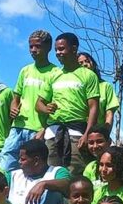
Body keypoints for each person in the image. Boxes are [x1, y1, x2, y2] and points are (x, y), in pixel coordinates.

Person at [38, 32, 99, 175]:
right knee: (52, 174)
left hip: (77, 133)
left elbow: (93, 107)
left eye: (61, 49)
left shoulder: (88, 75)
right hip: (53, 133)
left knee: (75, 174)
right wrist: (46, 109)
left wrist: (87, 134)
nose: (58, 53)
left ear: (74, 49)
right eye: (56, 50)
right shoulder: (53, 75)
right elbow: (39, 103)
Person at [0, 30, 59, 173]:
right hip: (18, 127)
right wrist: (13, 108)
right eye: (30, 46)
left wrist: (44, 129)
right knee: (5, 166)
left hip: (38, 129)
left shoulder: (56, 72)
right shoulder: (25, 70)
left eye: (37, 46)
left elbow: (55, 107)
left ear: (48, 47)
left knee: (31, 170)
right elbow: (16, 98)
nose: (33, 50)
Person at [6, 139, 70, 204]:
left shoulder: (56, 172)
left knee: (54, 194)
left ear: (36, 161)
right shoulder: (13, 175)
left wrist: (43, 184)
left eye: (23, 159)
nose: (19, 162)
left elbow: (67, 184)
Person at [78, 51, 120, 128]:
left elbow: (109, 114)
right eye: (80, 63)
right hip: (77, 130)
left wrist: (105, 133)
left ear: (93, 64)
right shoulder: (75, 86)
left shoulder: (106, 86)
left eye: (87, 61)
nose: (84, 64)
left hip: (96, 133)